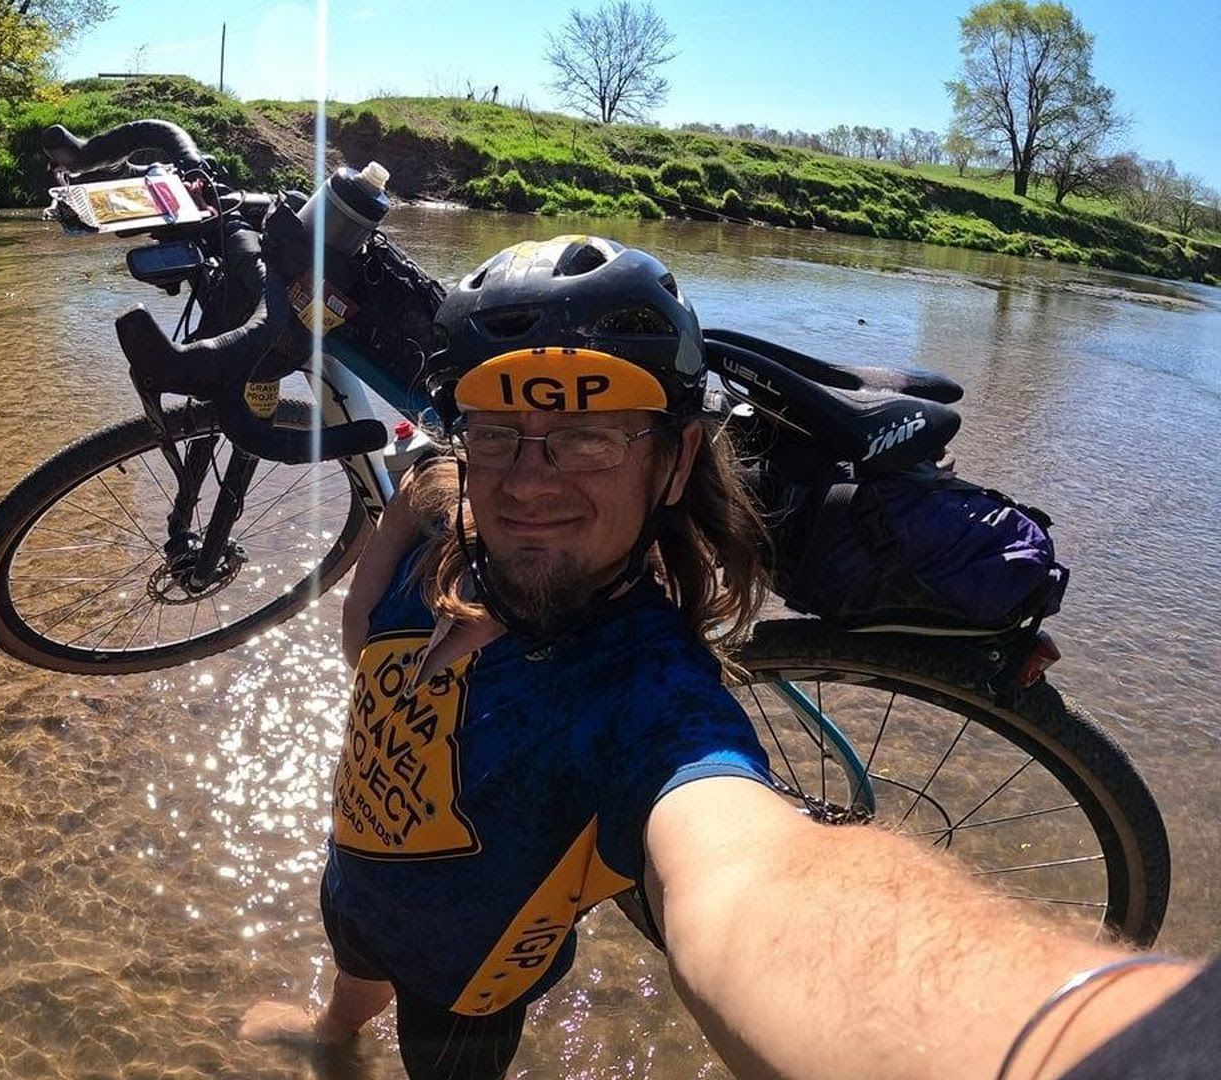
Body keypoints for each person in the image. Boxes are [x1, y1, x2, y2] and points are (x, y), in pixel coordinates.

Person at [238, 235, 1204, 1079]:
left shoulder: (649, 701)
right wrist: (370, 621)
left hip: (469, 981)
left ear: (676, 459)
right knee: (355, 968)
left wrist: (1090, 1047)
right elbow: (426, 488)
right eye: (502, 431)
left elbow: (754, 884)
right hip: (359, 878)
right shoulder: (454, 505)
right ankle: (333, 1036)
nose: (528, 482)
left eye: (589, 437)